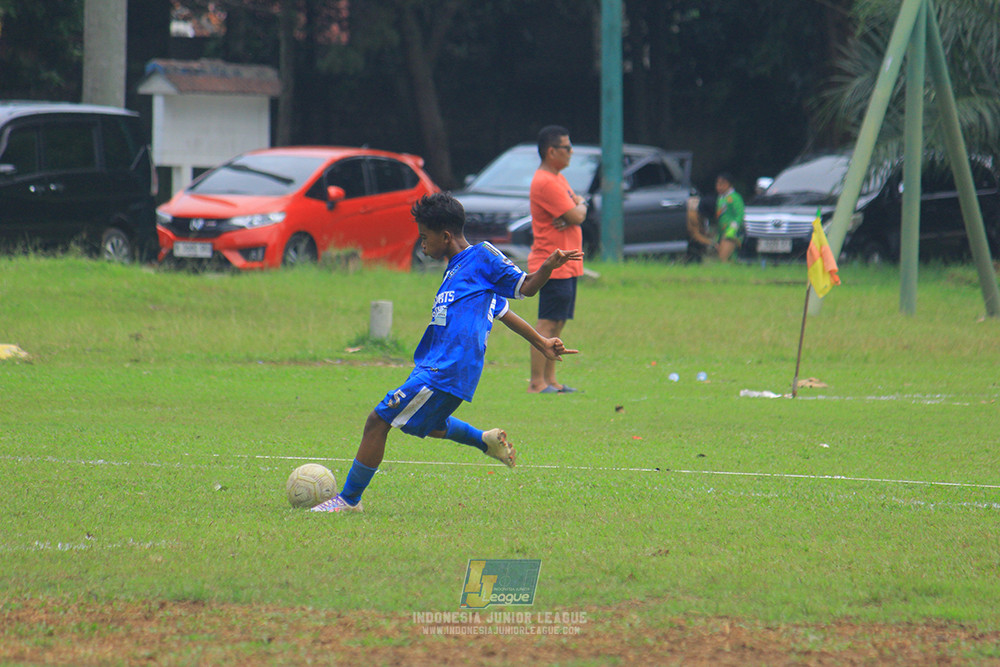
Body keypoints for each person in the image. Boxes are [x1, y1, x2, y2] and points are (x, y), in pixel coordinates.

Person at [311, 192, 583, 513]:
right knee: (424, 423)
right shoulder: (455, 270)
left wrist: (548, 266)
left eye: (424, 236)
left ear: (445, 236)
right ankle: (484, 440)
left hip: (448, 368)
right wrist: (541, 342)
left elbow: (527, 287)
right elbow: (501, 311)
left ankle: (349, 499)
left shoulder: (481, 257)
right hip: (434, 364)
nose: (422, 243)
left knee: (378, 420)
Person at [527, 125, 587, 394]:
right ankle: (536, 382)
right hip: (552, 262)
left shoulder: (558, 178)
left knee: (559, 322)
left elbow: (576, 209)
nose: (571, 152)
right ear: (551, 151)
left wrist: (578, 206)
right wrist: (579, 207)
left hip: (568, 263)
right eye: (567, 147)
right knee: (547, 323)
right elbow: (577, 214)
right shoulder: (546, 182)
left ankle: (551, 380)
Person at [714, 172, 745, 262]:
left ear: (729, 184)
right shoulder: (720, 198)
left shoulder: (735, 197)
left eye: (722, 184)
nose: (719, 187)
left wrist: (733, 229)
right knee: (728, 259)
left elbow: (740, 214)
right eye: (718, 184)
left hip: (731, 233)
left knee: (723, 258)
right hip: (722, 232)